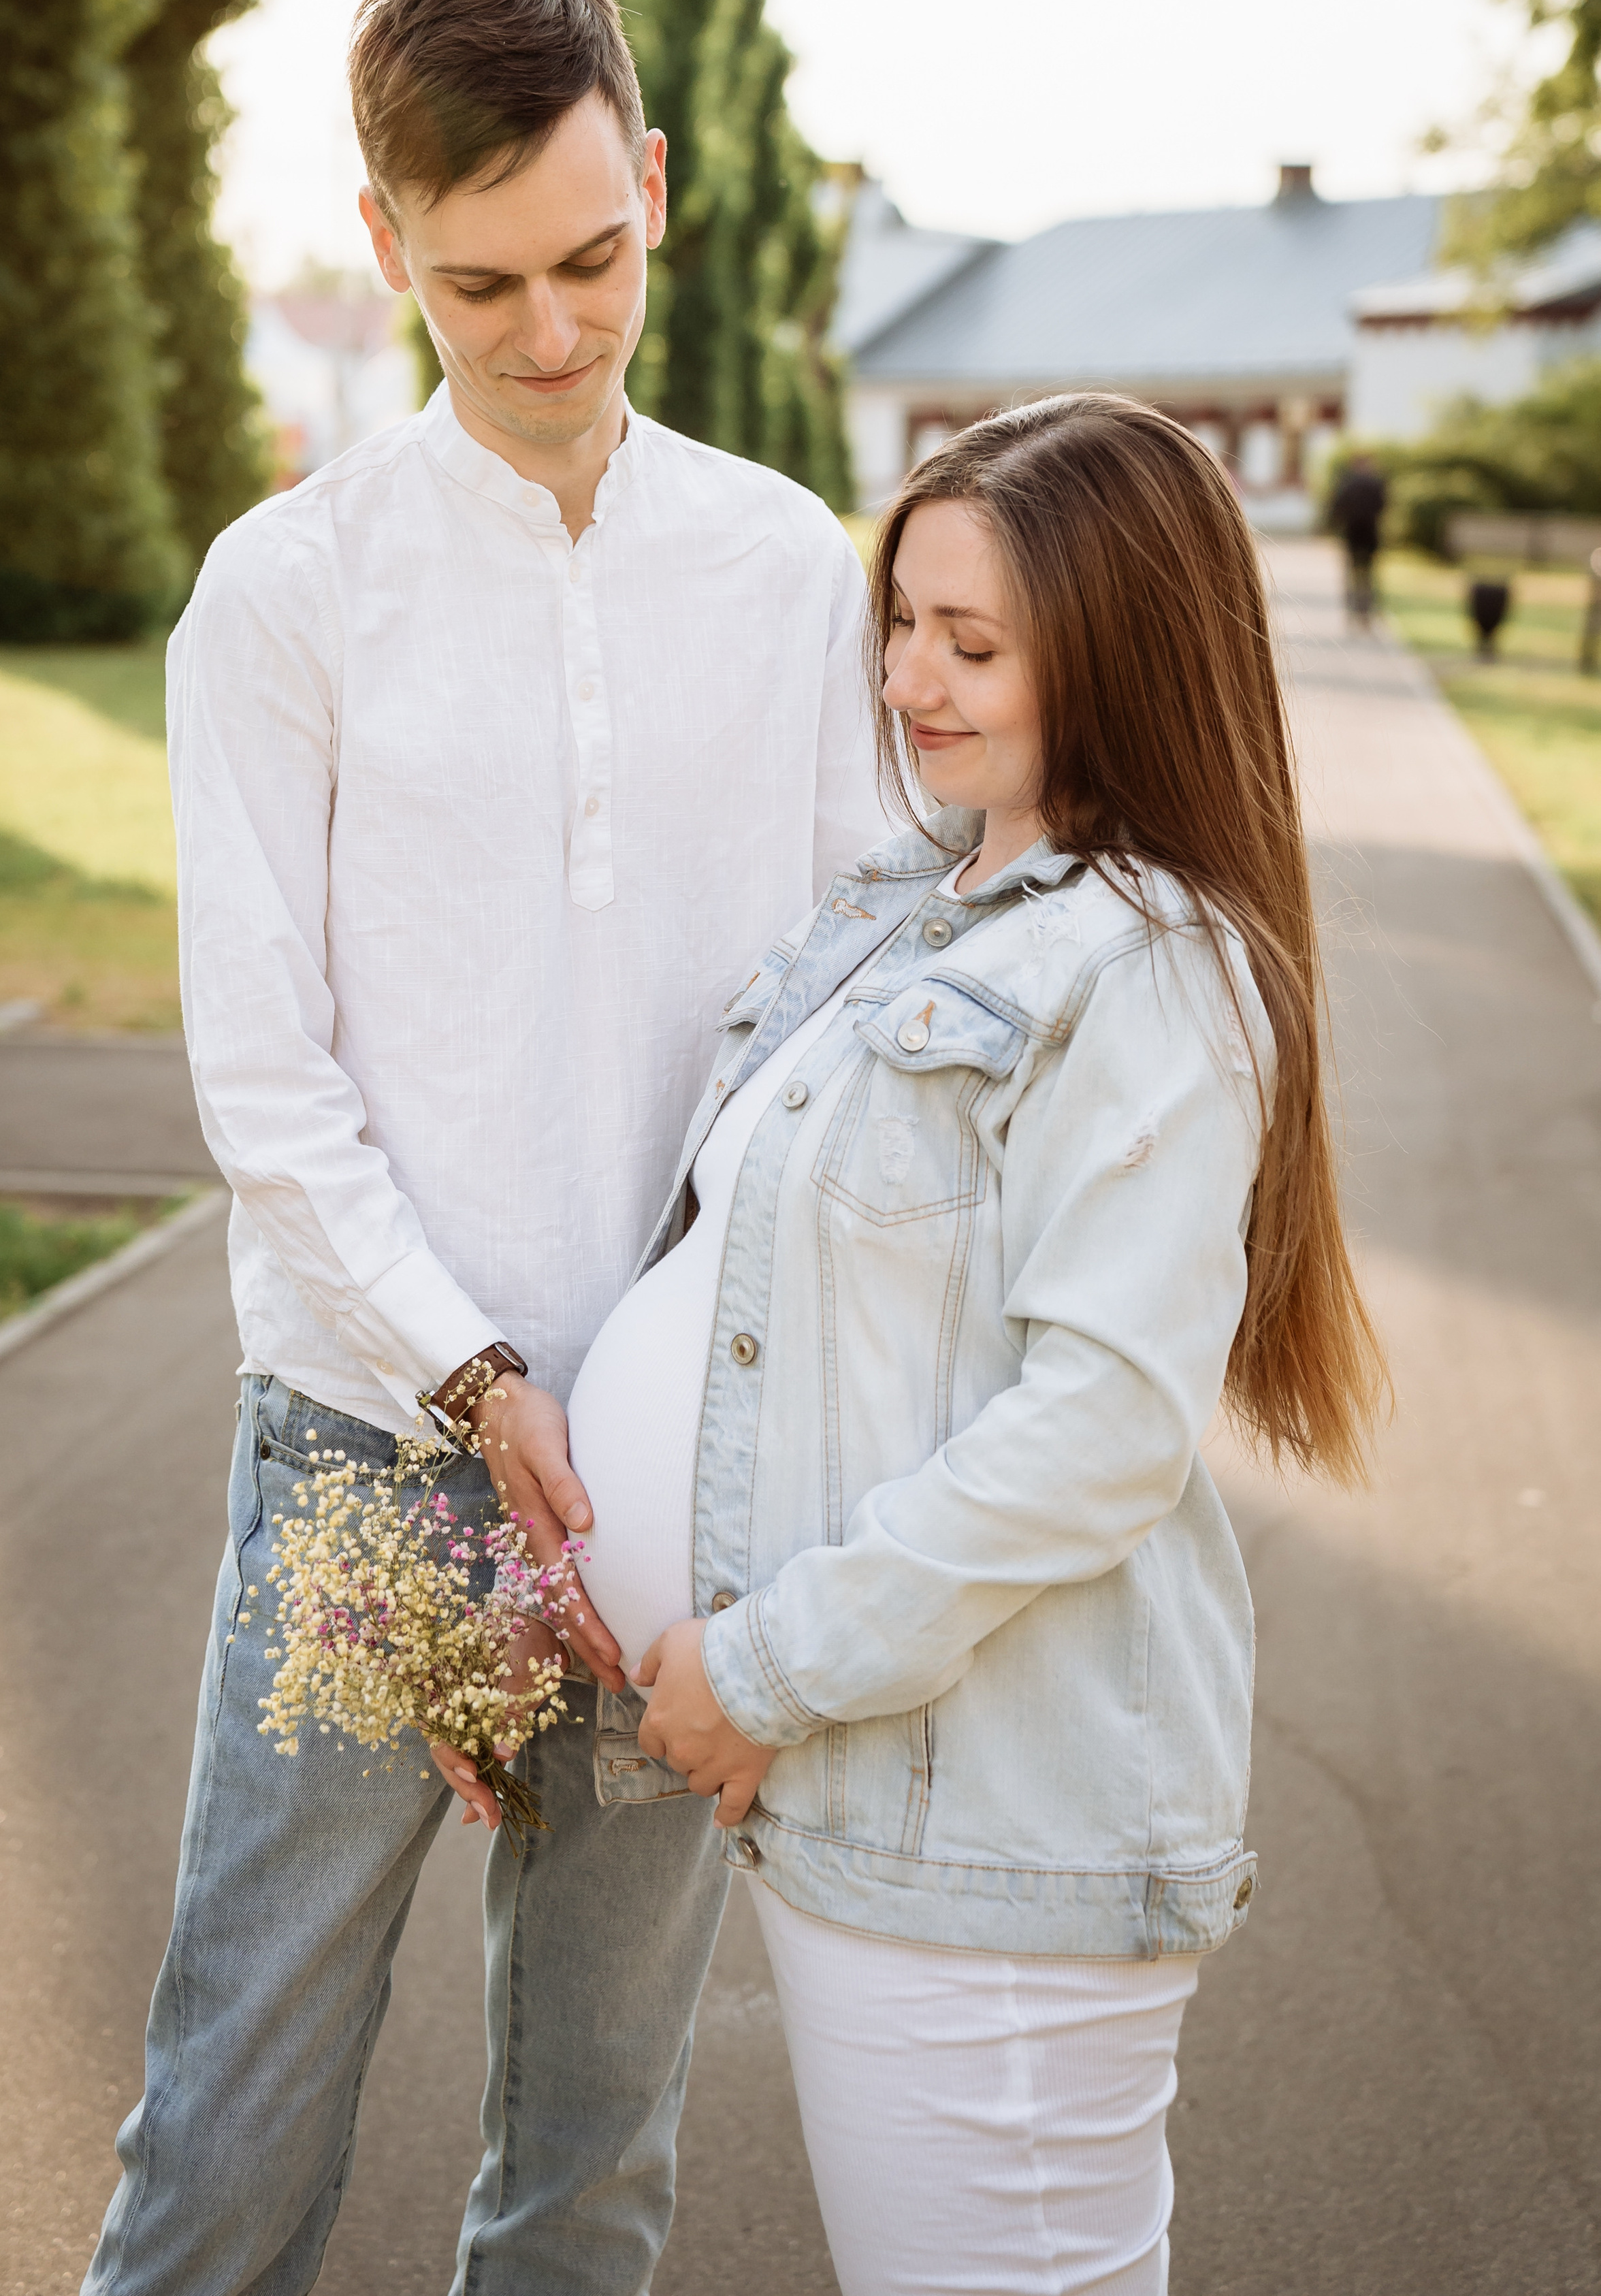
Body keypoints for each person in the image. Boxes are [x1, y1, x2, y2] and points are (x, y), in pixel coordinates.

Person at [82, 0, 881, 2296]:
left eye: (594, 260)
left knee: (593, 2150)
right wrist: (470, 1380)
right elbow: (265, 1078)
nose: (550, 332)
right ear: (380, 244)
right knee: (235, 2120)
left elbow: (840, 1017)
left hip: (667, 1468)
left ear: (655, 179)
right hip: (374, 1460)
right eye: (479, 285)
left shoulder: (787, 562)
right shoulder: (281, 596)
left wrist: (676, 1409)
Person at [566, 395, 1386, 2296]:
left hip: (988, 1827)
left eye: (977, 643)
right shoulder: (918, 912)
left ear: (1119, 652)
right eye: (904, 620)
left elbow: (1095, 1431)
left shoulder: (1149, 969)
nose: (911, 678)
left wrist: (757, 1668)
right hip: (876, 1787)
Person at [1329, 451, 1388, 626]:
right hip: (1369, 532)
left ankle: (1354, 610)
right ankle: (1366, 611)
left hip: (1353, 532)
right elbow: (1382, 506)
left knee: (1354, 572)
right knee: (1367, 573)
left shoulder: (1347, 483)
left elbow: (1337, 507)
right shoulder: (1376, 483)